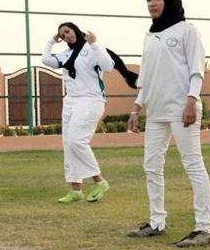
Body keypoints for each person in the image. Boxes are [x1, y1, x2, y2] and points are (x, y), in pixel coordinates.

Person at [126, 0, 210, 247]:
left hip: (182, 110)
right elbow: (147, 77)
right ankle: (156, 222)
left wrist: (191, 101)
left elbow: (196, 70)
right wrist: (136, 107)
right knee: (151, 165)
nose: (152, 3)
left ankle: (204, 228)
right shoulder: (149, 36)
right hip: (156, 112)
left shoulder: (187, 30)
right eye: (148, 0)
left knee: (193, 164)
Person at [41, 22, 138, 203]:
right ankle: (76, 190)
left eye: (67, 31)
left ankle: (99, 181)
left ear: (76, 30)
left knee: (78, 141)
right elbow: (47, 60)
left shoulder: (91, 48)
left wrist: (94, 44)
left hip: (91, 101)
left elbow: (108, 66)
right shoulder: (66, 54)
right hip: (71, 102)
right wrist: (51, 41)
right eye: (62, 35)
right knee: (69, 144)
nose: (65, 36)